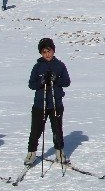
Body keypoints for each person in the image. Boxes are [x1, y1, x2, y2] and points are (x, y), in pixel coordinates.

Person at [25, 37, 71, 165]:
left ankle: (59, 151)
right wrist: (41, 81)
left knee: (57, 129)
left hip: (56, 104)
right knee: (36, 130)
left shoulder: (60, 65)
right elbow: (31, 85)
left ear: (53, 51)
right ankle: (31, 153)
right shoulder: (37, 67)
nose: (47, 54)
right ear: (41, 53)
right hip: (40, 104)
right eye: (44, 52)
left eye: (49, 51)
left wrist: (56, 79)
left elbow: (67, 82)